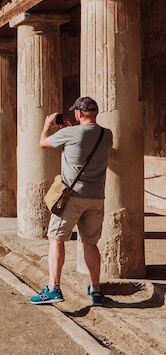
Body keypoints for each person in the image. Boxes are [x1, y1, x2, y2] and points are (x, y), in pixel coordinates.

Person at [31, 96, 113, 306]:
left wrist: (47, 126)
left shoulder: (68, 133)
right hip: (96, 197)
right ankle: (95, 290)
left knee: (56, 238)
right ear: (95, 113)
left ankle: (53, 288)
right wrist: (70, 130)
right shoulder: (107, 134)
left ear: (78, 113)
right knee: (90, 242)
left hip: (73, 197)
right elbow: (85, 139)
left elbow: (42, 144)